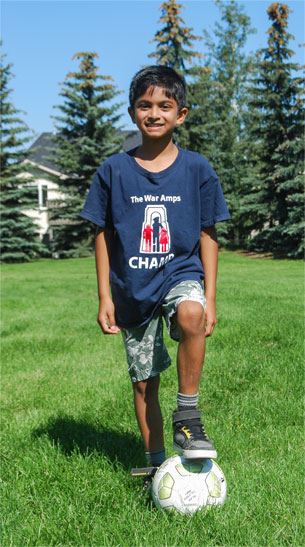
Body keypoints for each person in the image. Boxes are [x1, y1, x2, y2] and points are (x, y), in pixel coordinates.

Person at [81, 66, 230, 473]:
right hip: (132, 287)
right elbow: (102, 234)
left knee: (191, 312)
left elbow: (208, 233)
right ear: (132, 113)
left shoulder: (198, 169)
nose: (154, 113)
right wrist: (105, 297)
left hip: (181, 272)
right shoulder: (113, 171)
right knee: (144, 383)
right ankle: (156, 466)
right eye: (145, 105)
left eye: (165, 105)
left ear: (181, 114)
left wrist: (210, 298)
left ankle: (188, 417)